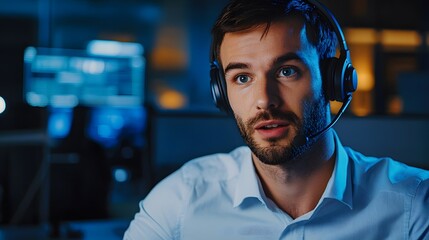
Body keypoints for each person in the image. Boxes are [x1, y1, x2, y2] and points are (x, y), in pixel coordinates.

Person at [123, 0, 429, 239]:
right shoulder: (179, 201)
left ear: (334, 80)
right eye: (242, 77)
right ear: (221, 93)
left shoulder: (414, 205)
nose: (264, 100)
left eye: (287, 71)